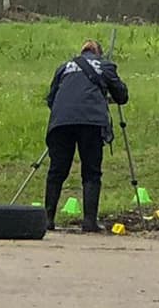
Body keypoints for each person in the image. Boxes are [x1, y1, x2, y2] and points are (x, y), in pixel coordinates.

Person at [43, 39, 129, 232]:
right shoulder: (104, 66)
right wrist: (106, 96)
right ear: (99, 53)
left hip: (61, 122)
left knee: (57, 171)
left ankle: (47, 219)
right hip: (91, 122)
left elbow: (51, 98)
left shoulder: (64, 67)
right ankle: (89, 221)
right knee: (91, 171)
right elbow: (122, 95)